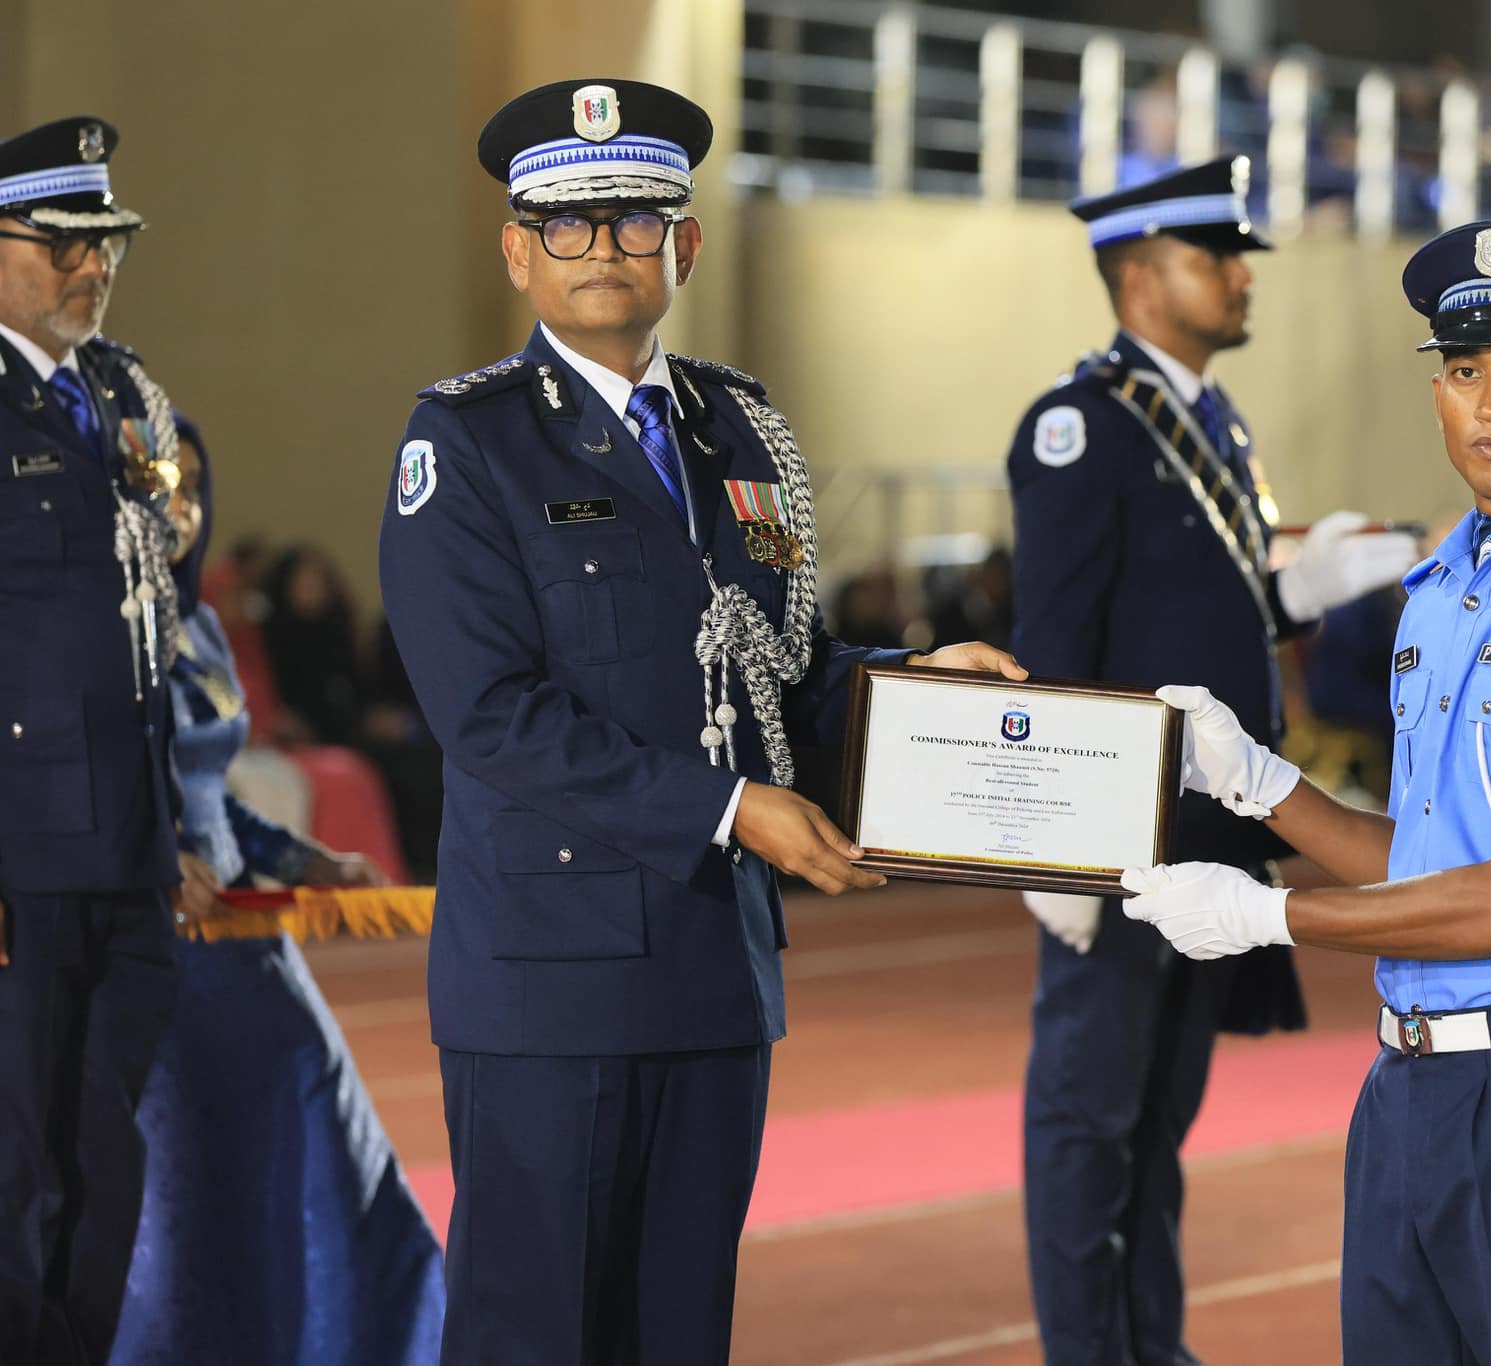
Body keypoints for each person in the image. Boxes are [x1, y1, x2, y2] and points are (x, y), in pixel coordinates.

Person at [377, 79, 1022, 1364]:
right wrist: (733, 810)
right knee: (537, 1333)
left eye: (633, 220)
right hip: (549, 980)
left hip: (714, 969)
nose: (604, 248)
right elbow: (491, 716)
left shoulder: (741, 427)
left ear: (686, 242)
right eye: (568, 224)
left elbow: (775, 669)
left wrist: (912, 682)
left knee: (678, 1332)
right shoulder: (468, 442)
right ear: (518, 251)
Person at [1122, 220, 1491, 1364]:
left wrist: (1264, 916)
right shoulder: (1441, 591)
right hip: (1403, 1090)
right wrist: (1261, 788)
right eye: (1462, 372)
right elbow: (1429, 861)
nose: (1489, 406)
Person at [1005, 156, 1418, 1364]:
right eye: (1215, 257)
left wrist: (1296, 587)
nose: (1241, 278)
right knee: (1090, 1125)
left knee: (1155, 1123)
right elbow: (1056, 647)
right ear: (1141, 276)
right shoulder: (1082, 424)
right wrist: (1060, 850)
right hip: (1126, 841)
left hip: (1211, 839)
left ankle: (1150, 1348)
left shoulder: (1204, 419)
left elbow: (1194, 611)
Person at [111, 421, 445, 1366]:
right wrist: (148, 855)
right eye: (150, 487)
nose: (176, 510)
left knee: (332, 1154)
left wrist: (308, 861)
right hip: (146, 945)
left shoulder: (206, 623)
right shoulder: (78, 634)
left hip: (250, 949)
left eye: (191, 489)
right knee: (177, 1204)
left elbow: (210, 794)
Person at [0, 115, 186, 1366]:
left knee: (100, 1155)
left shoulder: (123, 393)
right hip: (17, 853)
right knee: (9, 1163)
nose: (90, 265)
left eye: (103, 240)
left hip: (129, 845)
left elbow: (163, 604)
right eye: (59, 241)